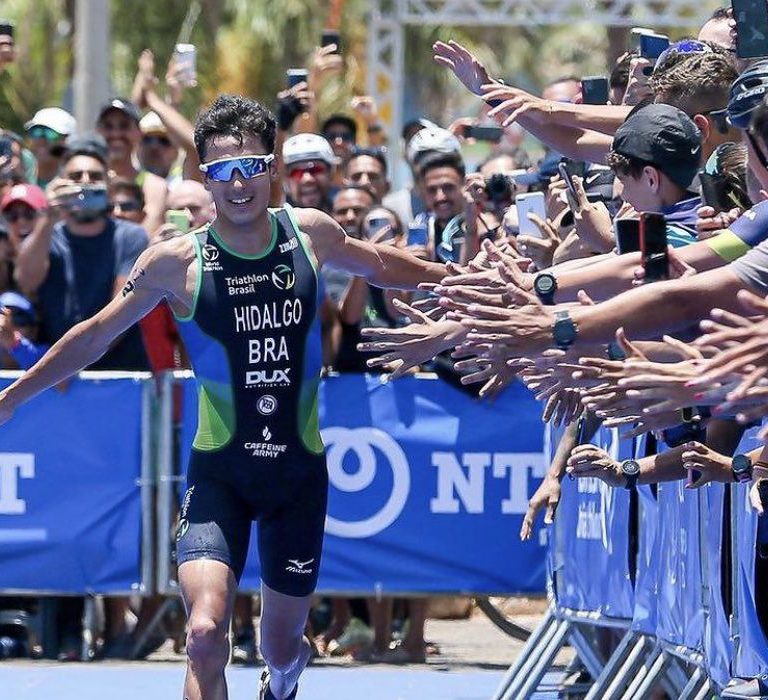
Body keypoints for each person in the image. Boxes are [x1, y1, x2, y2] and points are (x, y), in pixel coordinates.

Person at [0, 94, 444, 699]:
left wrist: (478, 282)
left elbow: (384, 265)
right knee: (206, 632)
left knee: (280, 646)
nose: (238, 185)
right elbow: (94, 336)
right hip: (220, 476)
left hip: (298, 477)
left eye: (251, 168)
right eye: (222, 172)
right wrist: (15, 397)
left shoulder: (309, 235)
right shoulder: (174, 263)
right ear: (203, 177)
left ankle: (283, 677)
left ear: (273, 169)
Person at [24, 107, 76, 188]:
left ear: (66, 140)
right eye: (36, 131)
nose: (41, 140)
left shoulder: (76, 181)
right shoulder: (19, 177)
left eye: (50, 133)